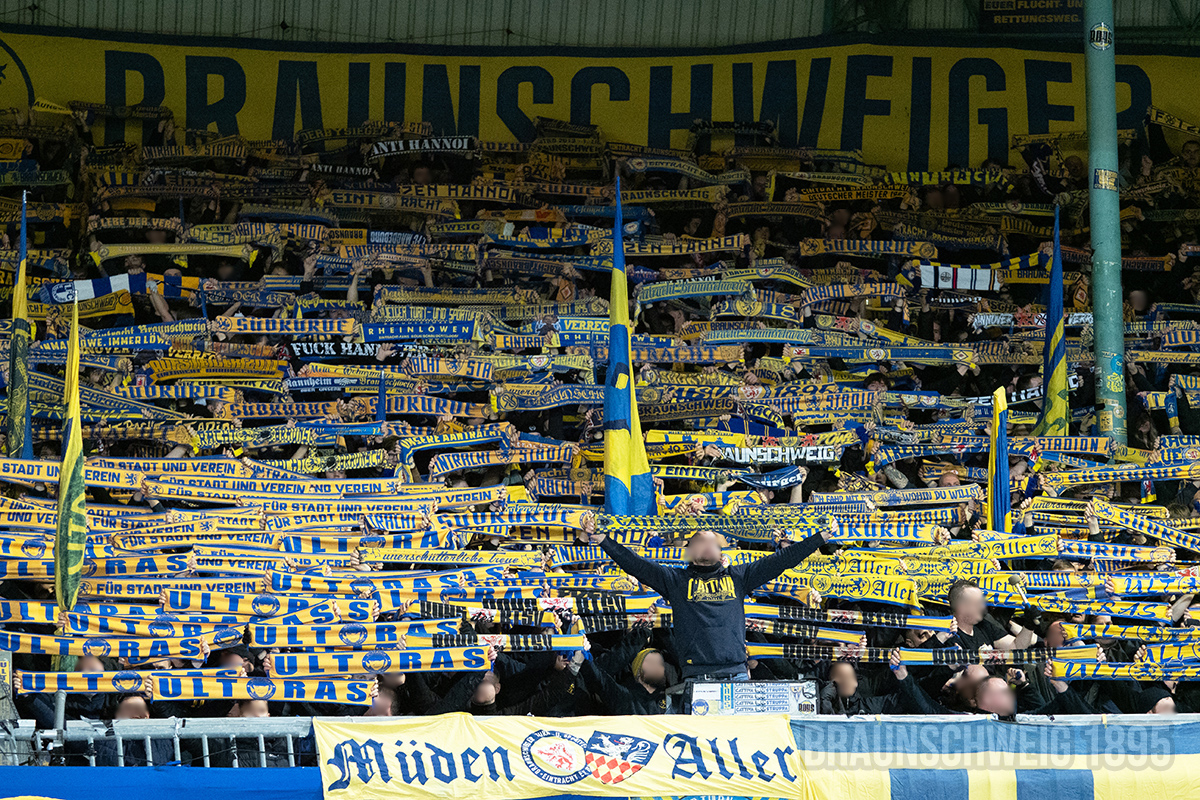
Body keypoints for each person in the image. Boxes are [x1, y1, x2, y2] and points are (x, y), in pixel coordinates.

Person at [587, 521, 830, 685]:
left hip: (736, 674)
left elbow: (781, 560)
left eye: (712, 542)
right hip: (697, 675)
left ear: (720, 550)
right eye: (700, 541)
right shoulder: (675, 580)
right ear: (689, 551)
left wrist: (820, 538)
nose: (706, 546)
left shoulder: (739, 577)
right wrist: (604, 541)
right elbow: (636, 565)